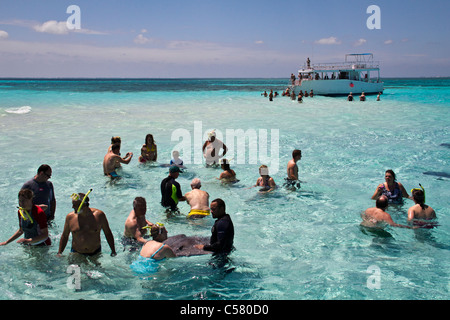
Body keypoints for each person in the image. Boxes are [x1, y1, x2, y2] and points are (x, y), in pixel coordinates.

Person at [58, 191, 116, 256]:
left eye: (75, 205)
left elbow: (107, 233)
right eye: (72, 204)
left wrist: (113, 250)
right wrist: (60, 252)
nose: (72, 207)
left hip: (95, 252)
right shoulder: (70, 217)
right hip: (76, 252)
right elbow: (65, 236)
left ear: (84, 205)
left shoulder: (99, 215)